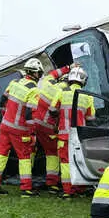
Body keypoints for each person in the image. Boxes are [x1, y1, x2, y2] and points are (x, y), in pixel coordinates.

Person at [0, 58, 41, 197]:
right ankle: (26, 188)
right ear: (36, 73)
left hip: (5, 125)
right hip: (19, 129)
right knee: (24, 156)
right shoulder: (34, 90)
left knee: (1, 154)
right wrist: (32, 134)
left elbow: (2, 100)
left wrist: (4, 115)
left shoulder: (14, 82)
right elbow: (29, 113)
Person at [50, 65, 95, 198]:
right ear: (83, 80)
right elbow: (91, 117)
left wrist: (61, 115)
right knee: (79, 161)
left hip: (63, 135)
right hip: (79, 136)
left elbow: (52, 110)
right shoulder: (88, 96)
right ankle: (80, 189)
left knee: (65, 163)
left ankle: (67, 191)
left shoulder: (62, 92)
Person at [30, 64, 72, 194]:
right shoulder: (65, 92)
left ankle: (25, 178)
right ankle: (52, 182)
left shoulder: (47, 81)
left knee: (30, 149)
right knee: (52, 152)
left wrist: (68, 67)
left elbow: (54, 72)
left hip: (34, 120)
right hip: (47, 126)